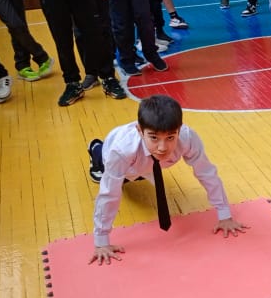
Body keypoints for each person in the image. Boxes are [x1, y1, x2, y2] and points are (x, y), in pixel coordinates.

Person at [87, 94, 248, 265]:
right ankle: (95, 147)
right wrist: (101, 241)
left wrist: (225, 215)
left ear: (179, 129)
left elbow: (207, 173)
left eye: (170, 137)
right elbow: (109, 193)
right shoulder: (121, 151)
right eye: (154, 138)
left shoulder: (188, 138)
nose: (163, 147)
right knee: (111, 172)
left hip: (146, 164)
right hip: (124, 164)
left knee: (145, 170)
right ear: (140, 131)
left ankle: (145, 160)